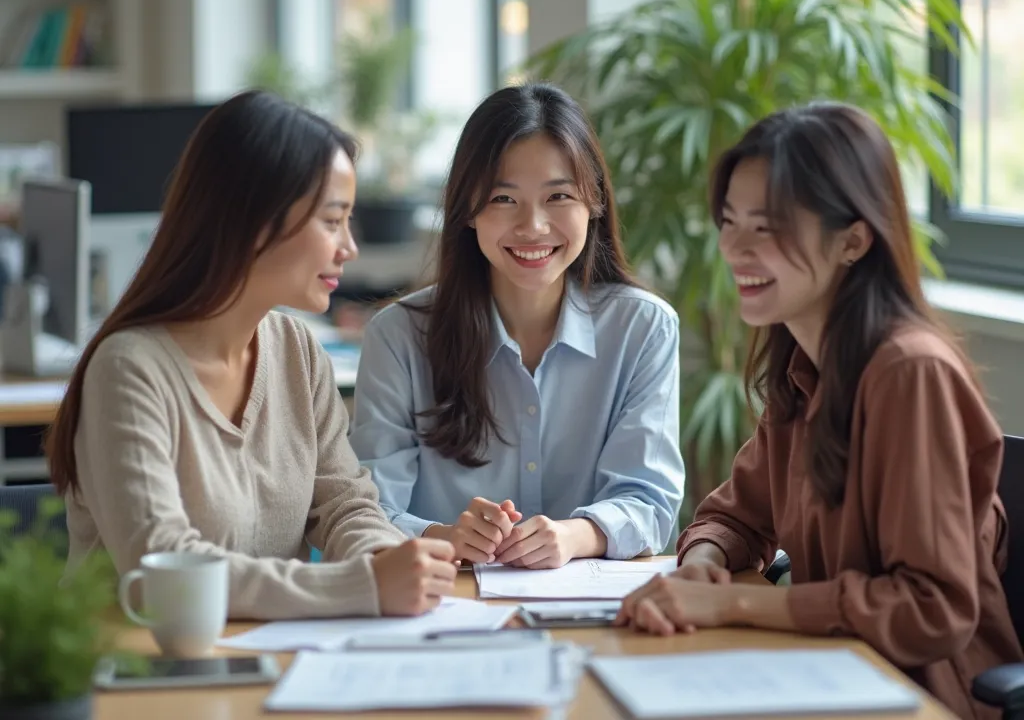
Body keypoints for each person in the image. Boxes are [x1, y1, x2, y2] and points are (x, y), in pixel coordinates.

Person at [615, 102, 1022, 718]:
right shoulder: (802, 364)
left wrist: (733, 605)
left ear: (854, 240)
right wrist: (702, 565)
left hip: (921, 696)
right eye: (730, 221)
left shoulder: (909, 373)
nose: (737, 248)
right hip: (825, 675)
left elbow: (931, 609)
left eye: (769, 227)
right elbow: (736, 516)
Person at [46, 90, 457, 621]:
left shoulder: (298, 350)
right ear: (255, 222)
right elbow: (160, 567)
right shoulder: (128, 369)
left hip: (265, 662)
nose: (349, 247)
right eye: (333, 221)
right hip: (140, 670)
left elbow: (343, 502)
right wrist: (362, 585)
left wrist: (384, 557)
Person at [349, 83, 686, 570]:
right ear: (467, 209)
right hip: (443, 609)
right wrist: (444, 536)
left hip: (594, 615)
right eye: (504, 198)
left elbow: (651, 503)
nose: (532, 226)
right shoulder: (398, 337)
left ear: (594, 204)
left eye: (559, 196)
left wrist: (574, 535)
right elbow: (368, 509)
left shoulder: (643, 329)